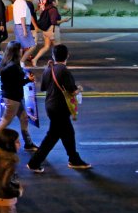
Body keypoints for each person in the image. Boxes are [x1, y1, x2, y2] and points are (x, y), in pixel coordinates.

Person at [27, 44, 92, 172]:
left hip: (50, 106)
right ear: (67, 56)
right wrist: (79, 89)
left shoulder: (48, 69)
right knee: (53, 137)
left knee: (65, 134)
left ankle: (73, 159)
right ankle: (35, 162)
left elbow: (44, 87)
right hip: (60, 108)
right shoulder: (64, 71)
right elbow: (72, 91)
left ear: (53, 56)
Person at [0, 41, 36, 151]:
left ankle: (28, 143)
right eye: (21, 49)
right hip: (13, 98)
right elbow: (17, 82)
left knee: (24, 118)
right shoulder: (13, 67)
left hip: (13, 96)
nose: (22, 51)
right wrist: (28, 80)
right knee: (6, 120)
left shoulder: (7, 62)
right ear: (17, 51)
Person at [31, 0, 69, 66]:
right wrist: (64, 20)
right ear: (53, 2)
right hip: (52, 31)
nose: (58, 1)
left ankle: (34, 59)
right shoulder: (53, 10)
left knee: (46, 47)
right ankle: (60, 62)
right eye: (57, 0)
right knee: (58, 47)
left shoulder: (47, 8)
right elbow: (54, 22)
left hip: (46, 31)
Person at [11, 0, 36, 64]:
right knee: (33, 46)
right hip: (22, 27)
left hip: (17, 26)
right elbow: (22, 17)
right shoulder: (22, 2)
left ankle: (18, 63)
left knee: (20, 47)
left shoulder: (16, 2)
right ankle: (21, 62)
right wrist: (25, 30)